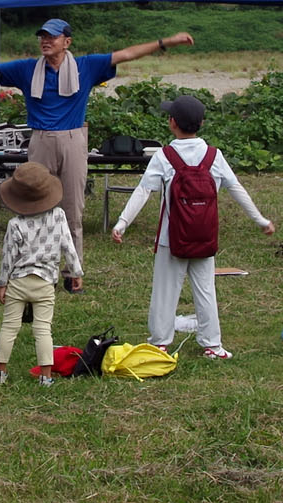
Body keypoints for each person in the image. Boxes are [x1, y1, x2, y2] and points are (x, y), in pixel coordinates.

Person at [0, 19, 194, 275]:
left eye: (52, 36)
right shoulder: (28, 68)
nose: (45, 40)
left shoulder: (86, 66)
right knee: (33, 204)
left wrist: (166, 42)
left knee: (72, 208)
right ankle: (34, 267)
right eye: (42, 36)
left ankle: (73, 272)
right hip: (40, 140)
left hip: (74, 139)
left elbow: (127, 54)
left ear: (67, 42)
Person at [112, 94, 273, 359]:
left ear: (172, 123)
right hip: (204, 237)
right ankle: (213, 345)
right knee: (205, 290)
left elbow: (143, 191)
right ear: (202, 123)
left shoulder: (165, 156)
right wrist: (261, 220)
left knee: (164, 291)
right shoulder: (214, 155)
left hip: (170, 238)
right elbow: (236, 189)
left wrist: (122, 223)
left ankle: (159, 343)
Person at [0, 161, 80, 387]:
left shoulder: (14, 224)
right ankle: (46, 376)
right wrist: (75, 272)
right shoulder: (59, 216)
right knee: (43, 329)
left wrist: (3, 283)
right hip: (45, 283)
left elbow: (8, 257)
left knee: (9, 326)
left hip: (18, 282)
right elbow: (69, 247)